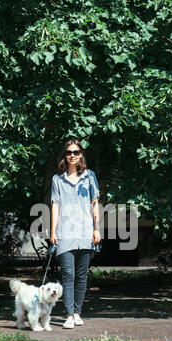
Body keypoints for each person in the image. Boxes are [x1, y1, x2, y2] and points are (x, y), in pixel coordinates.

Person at [50, 138, 101, 329]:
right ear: (65, 155)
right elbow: (55, 205)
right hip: (65, 233)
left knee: (81, 276)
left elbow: (94, 204)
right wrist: (53, 230)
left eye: (76, 152)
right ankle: (69, 315)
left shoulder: (89, 177)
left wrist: (97, 229)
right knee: (67, 275)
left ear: (81, 155)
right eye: (69, 152)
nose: (72, 155)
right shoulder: (57, 179)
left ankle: (78, 312)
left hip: (85, 232)